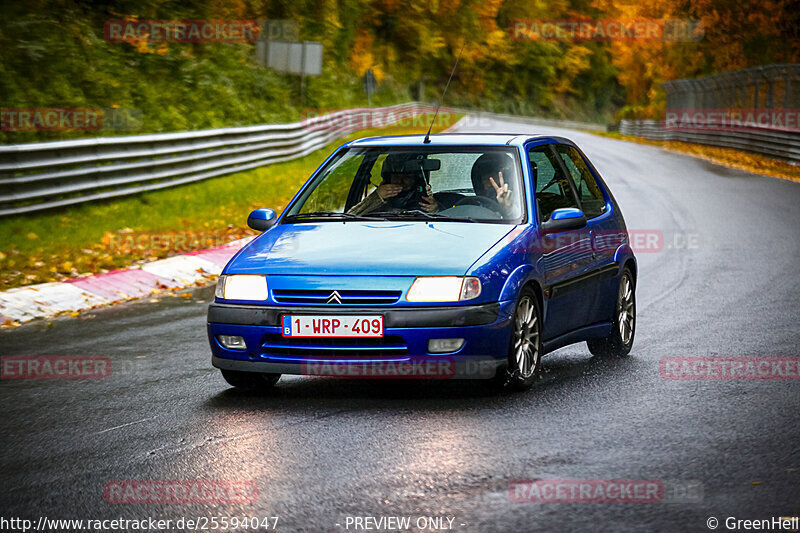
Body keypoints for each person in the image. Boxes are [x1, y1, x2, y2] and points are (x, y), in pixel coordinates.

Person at [348, 153, 439, 215]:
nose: (400, 181)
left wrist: (435, 210)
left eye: (406, 177)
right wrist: (376, 197)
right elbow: (348, 218)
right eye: (396, 176)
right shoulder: (377, 203)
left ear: (416, 180)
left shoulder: (425, 202)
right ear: (387, 179)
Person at [470, 152, 517, 217]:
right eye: (485, 180)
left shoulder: (522, 206)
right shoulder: (473, 206)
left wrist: (508, 209)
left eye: (494, 181)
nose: (489, 185)